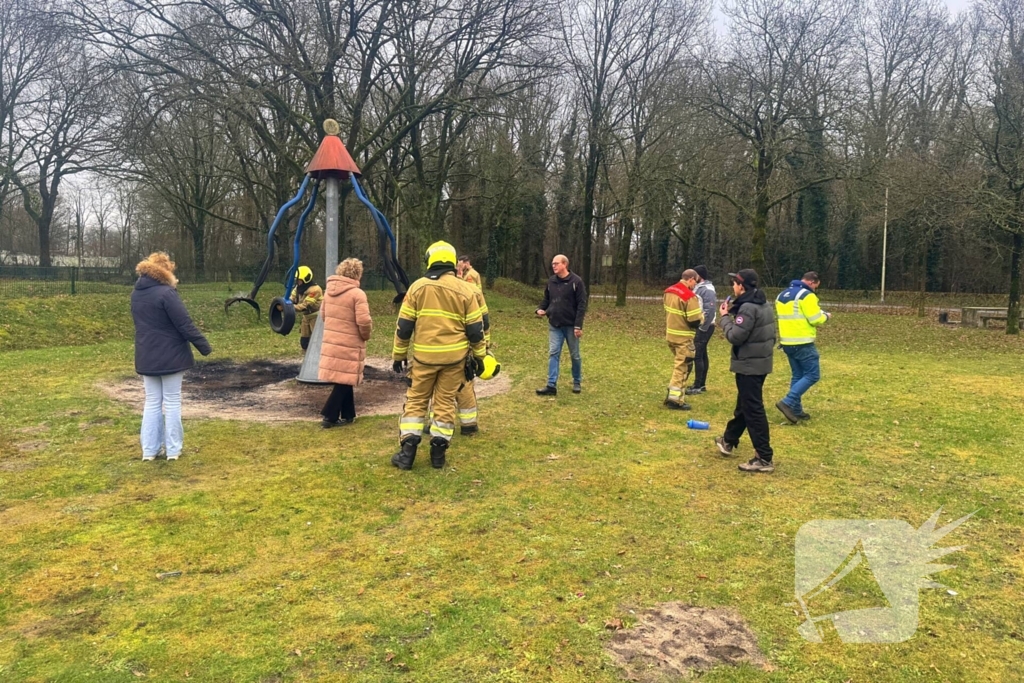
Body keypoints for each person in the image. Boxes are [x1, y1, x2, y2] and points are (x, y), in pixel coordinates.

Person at [392, 241, 487, 470]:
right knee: (444, 402)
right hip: (454, 360)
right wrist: (480, 357)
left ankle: (407, 454)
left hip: (424, 359)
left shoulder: (417, 288)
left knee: (416, 401)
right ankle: (438, 455)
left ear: (430, 260)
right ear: (452, 262)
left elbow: (404, 326)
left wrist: (399, 354)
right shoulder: (466, 289)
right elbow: (476, 330)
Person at [130, 252, 211, 461]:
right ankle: (173, 450)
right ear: (165, 270)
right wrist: (204, 346)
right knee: (172, 401)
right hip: (172, 355)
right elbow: (184, 323)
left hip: (146, 354)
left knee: (152, 402)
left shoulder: (136, 294)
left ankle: (149, 450)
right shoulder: (167, 293)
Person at [715, 269, 777, 473]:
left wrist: (724, 318)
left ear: (742, 286)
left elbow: (735, 336)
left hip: (750, 366)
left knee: (753, 410)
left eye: (734, 283)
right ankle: (728, 440)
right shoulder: (763, 304)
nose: (732, 286)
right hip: (759, 364)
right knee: (744, 406)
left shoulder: (748, 308)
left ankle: (764, 457)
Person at [318, 258, 373, 427]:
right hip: (350, 342)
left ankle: (349, 414)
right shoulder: (357, 294)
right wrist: (365, 335)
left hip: (332, 341)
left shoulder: (328, 292)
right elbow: (364, 322)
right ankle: (329, 415)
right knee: (344, 380)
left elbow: (323, 316)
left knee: (344, 378)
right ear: (358, 274)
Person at [775, 271, 831, 423]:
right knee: (813, 375)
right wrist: (825, 316)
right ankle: (787, 402)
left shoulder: (782, 295)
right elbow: (815, 319)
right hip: (803, 342)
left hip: (787, 342)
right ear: (812, 282)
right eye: (816, 287)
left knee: (798, 376)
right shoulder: (807, 295)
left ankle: (796, 410)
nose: (815, 290)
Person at [535, 254, 587, 396]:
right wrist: (541, 309)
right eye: (552, 264)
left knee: (575, 355)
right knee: (553, 353)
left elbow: (582, 305)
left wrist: (578, 326)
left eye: (556, 263)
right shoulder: (551, 281)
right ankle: (551, 385)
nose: (553, 266)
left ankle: (577, 381)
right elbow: (547, 299)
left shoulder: (576, 282)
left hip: (571, 326)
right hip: (555, 325)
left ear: (565, 264)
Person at [663, 269, 704, 410]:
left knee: (679, 365)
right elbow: (694, 320)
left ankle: (673, 394)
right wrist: (702, 317)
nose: (695, 285)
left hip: (671, 335)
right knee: (682, 368)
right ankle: (675, 399)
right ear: (691, 279)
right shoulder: (689, 296)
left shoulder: (669, 291)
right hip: (683, 338)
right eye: (695, 282)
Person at [687, 265, 717, 395]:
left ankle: (697, 385)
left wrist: (702, 327)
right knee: (703, 354)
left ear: (700, 276)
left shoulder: (707, 290)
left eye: (695, 274)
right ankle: (701, 384)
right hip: (703, 325)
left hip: (706, 326)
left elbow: (710, 310)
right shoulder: (699, 288)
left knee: (698, 355)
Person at [291, 265, 324, 351]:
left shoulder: (315, 290)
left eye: (299, 280)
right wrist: (283, 304)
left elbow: (305, 306)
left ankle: (318, 358)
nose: (297, 282)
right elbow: (292, 298)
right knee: (304, 341)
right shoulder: (298, 288)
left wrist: (290, 307)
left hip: (316, 317)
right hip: (306, 317)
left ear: (305, 279)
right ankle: (306, 358)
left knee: (317, 340)